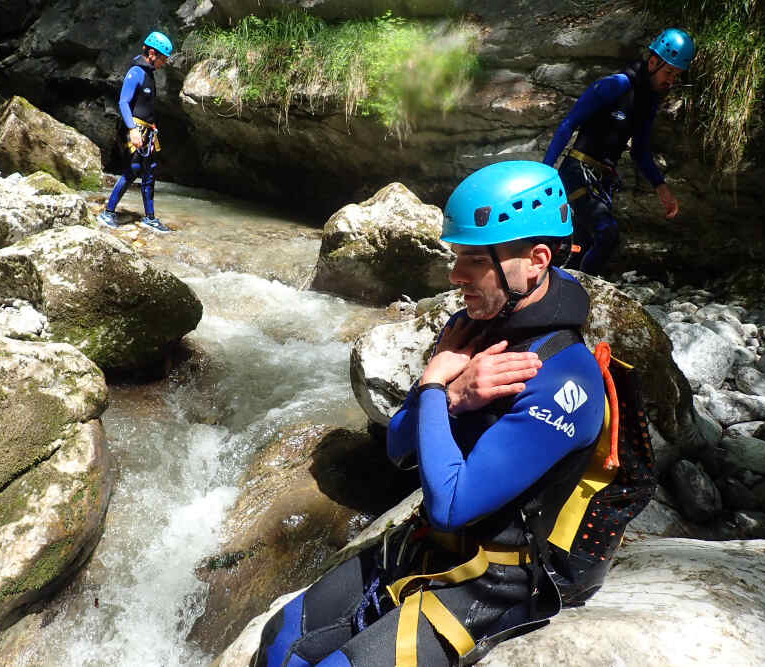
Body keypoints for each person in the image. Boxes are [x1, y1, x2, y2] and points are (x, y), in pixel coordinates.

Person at [253, 161, 606, 666]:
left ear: (536, 260)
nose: (454, 275)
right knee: (280, 637)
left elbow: (452, 504)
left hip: (495, 583)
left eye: (473, 260)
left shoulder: (563, 381)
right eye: (456, 254)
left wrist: (439, 386)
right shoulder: (472, 327)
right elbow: (399, 448)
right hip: (427, 546)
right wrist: (450, 394)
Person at [543, 28, 695, 275]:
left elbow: (640, 152)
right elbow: (568, 124)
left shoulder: (650, 101)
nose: (671, 80)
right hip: (577, 171)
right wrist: (545, 170)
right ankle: (584, 291)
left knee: (584, 245)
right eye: (669, 72)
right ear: (653, 61)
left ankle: (568, 294)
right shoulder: (617, 85)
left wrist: (662, 187)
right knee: (607, 234)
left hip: (601, 180)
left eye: (676, 75)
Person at [97, 30, 173, 232]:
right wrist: (133, 130)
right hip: (136, 130)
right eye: (163, 58)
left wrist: (152, 126)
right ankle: (108, 213)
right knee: (134, 171)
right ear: (152, 53)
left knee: (150, 172)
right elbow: (123, 102)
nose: (164, 63)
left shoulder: (149, 74)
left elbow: (145, 106)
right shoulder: (136, 72)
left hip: (147, 131)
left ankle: (150, 218)